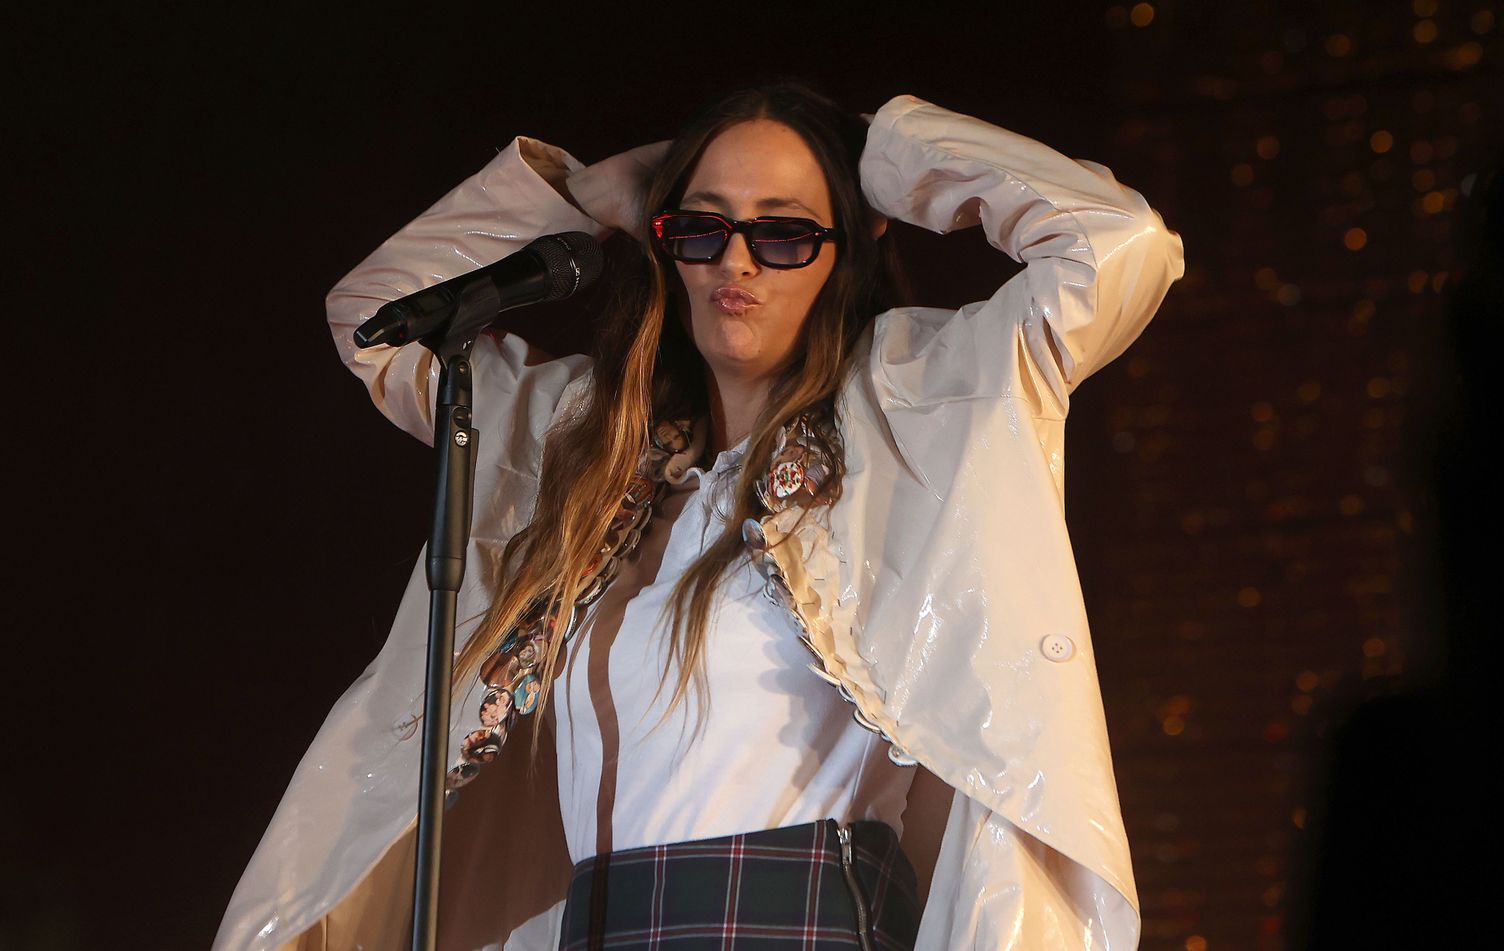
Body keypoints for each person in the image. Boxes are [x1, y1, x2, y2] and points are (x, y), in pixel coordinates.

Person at [214, 82, 1186, 950]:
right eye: (700, 227)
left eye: (784, 231)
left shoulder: (933, 404)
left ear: (849, 245)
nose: (738, 262)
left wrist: (882, 152)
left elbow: (1115, 244)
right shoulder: (580, 447)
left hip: (803, 917)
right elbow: (376, 320)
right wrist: (593, 193)